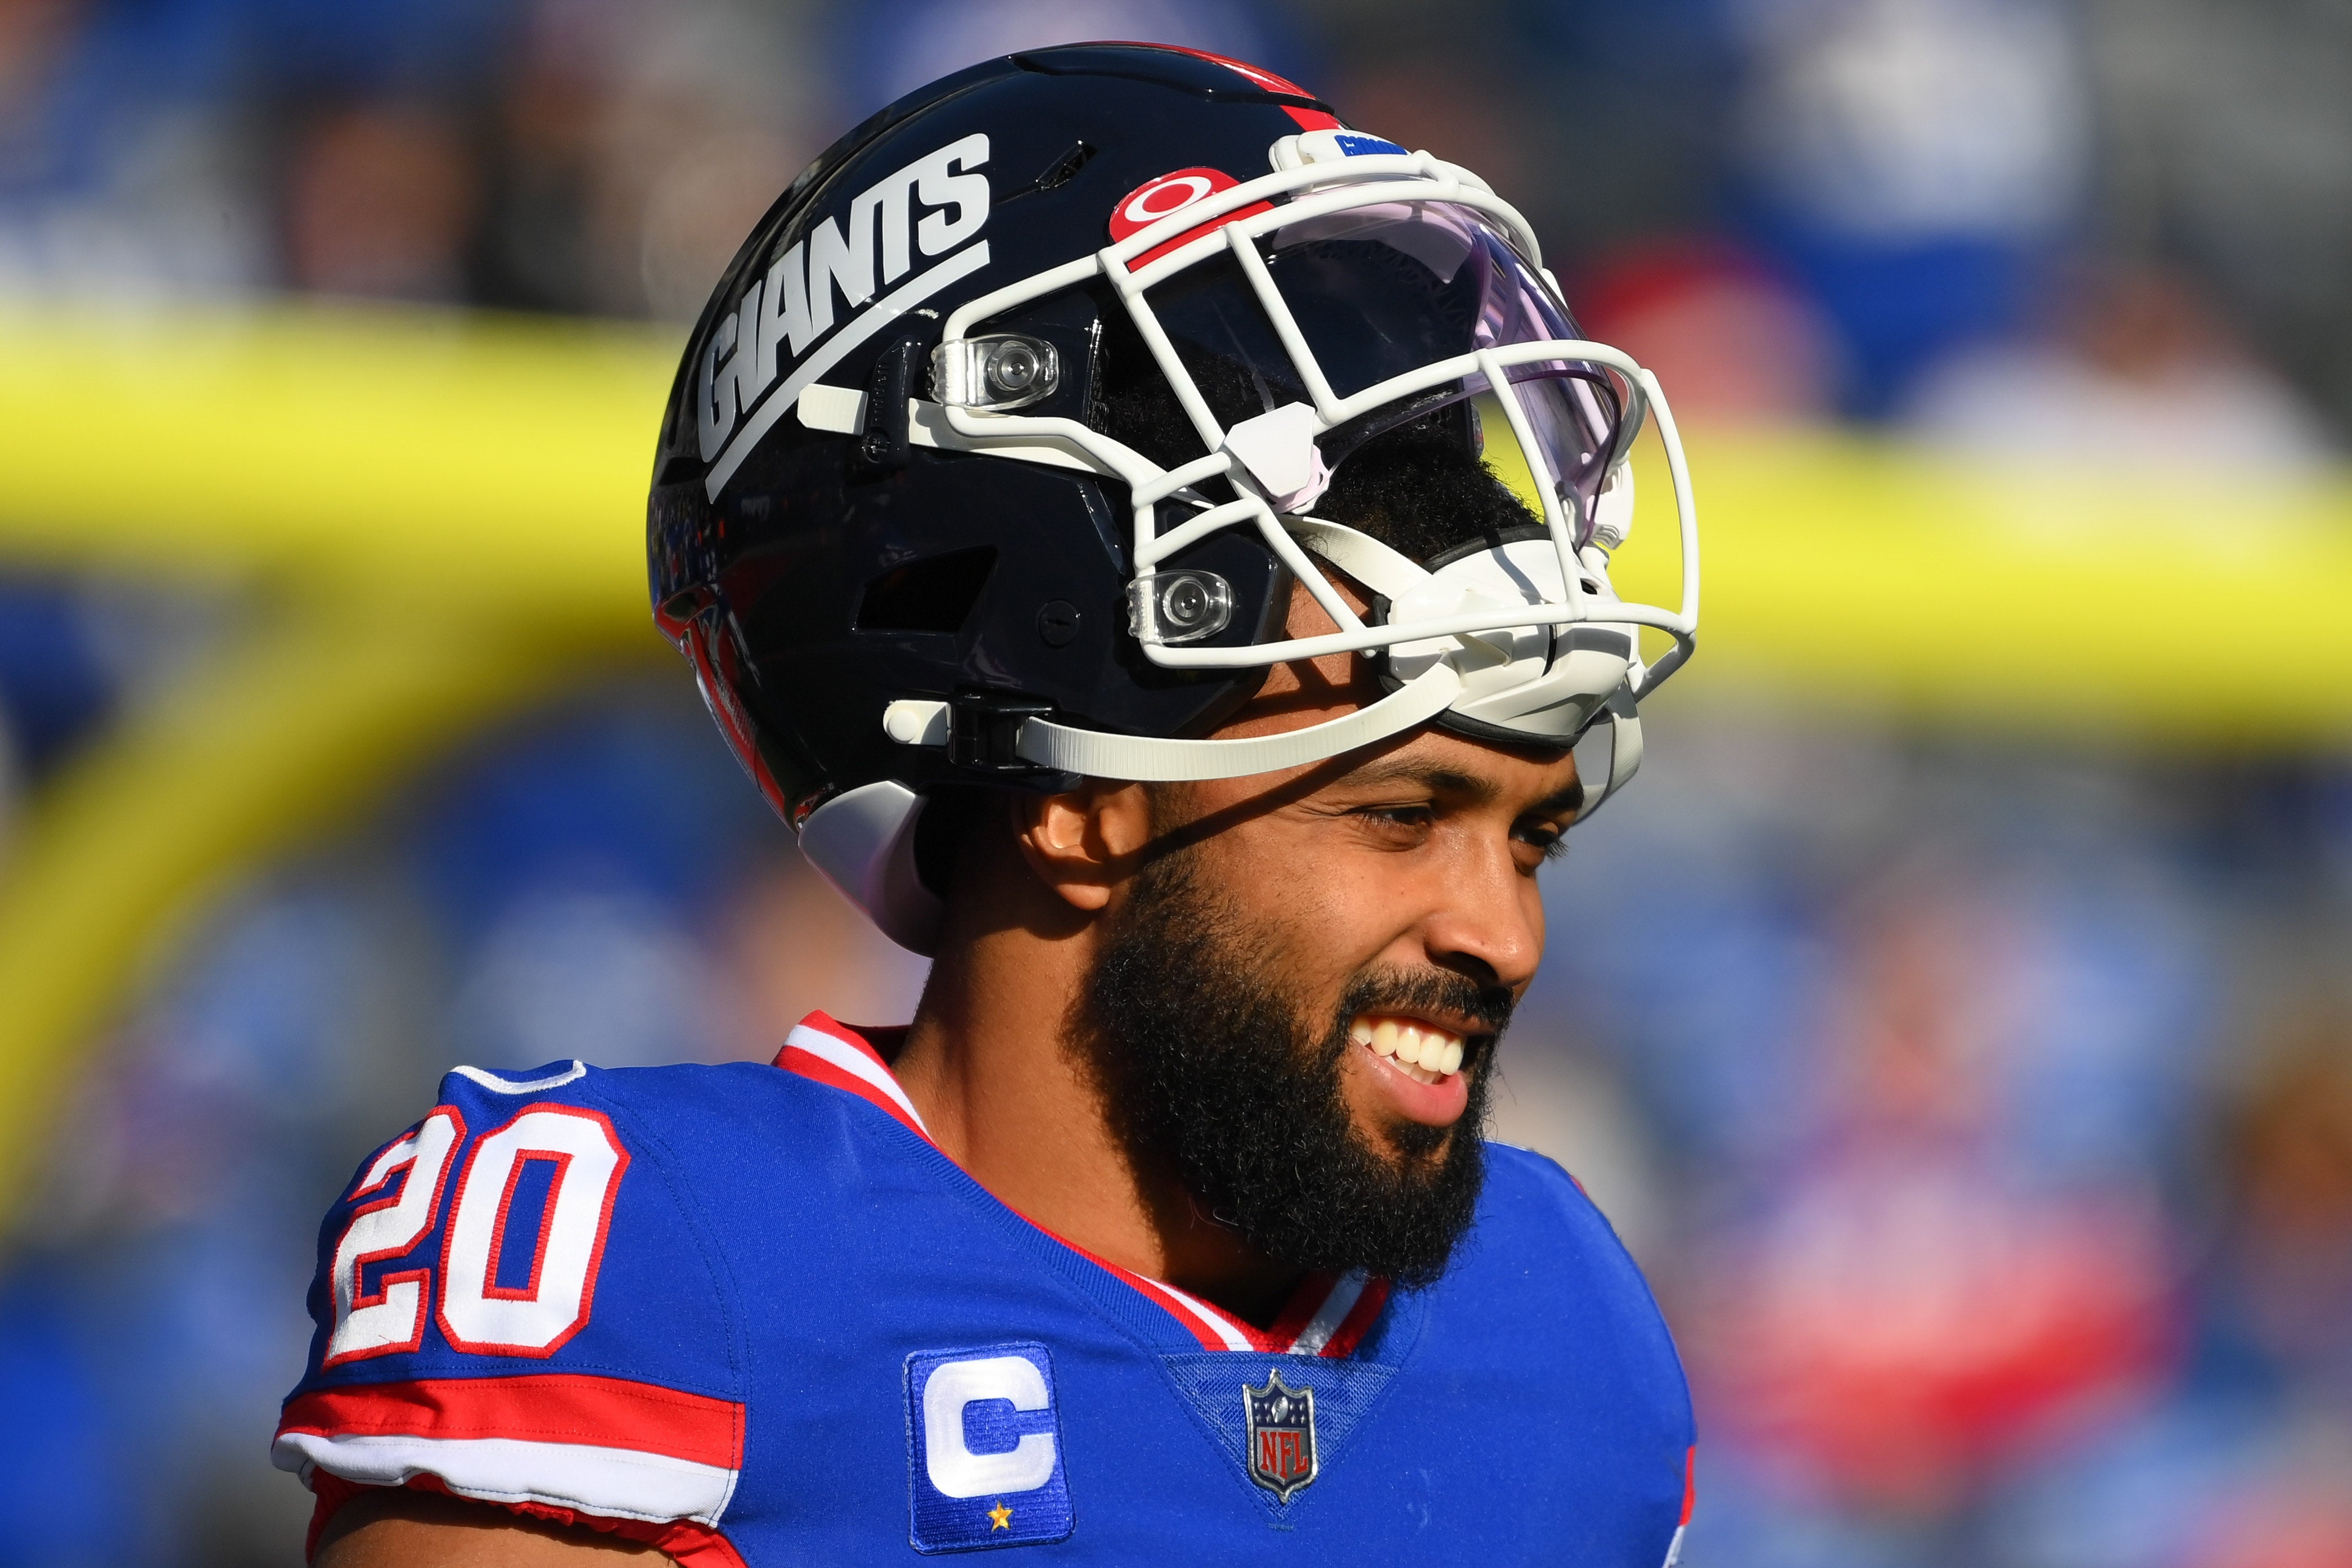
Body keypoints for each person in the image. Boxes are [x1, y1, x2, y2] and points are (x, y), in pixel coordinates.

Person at [271, 42, 1703, 1566]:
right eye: (1401, 815)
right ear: (1073, 801)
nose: (1505, 932)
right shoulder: (666, 1261)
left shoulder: (1556, 1319)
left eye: (1532, 836)